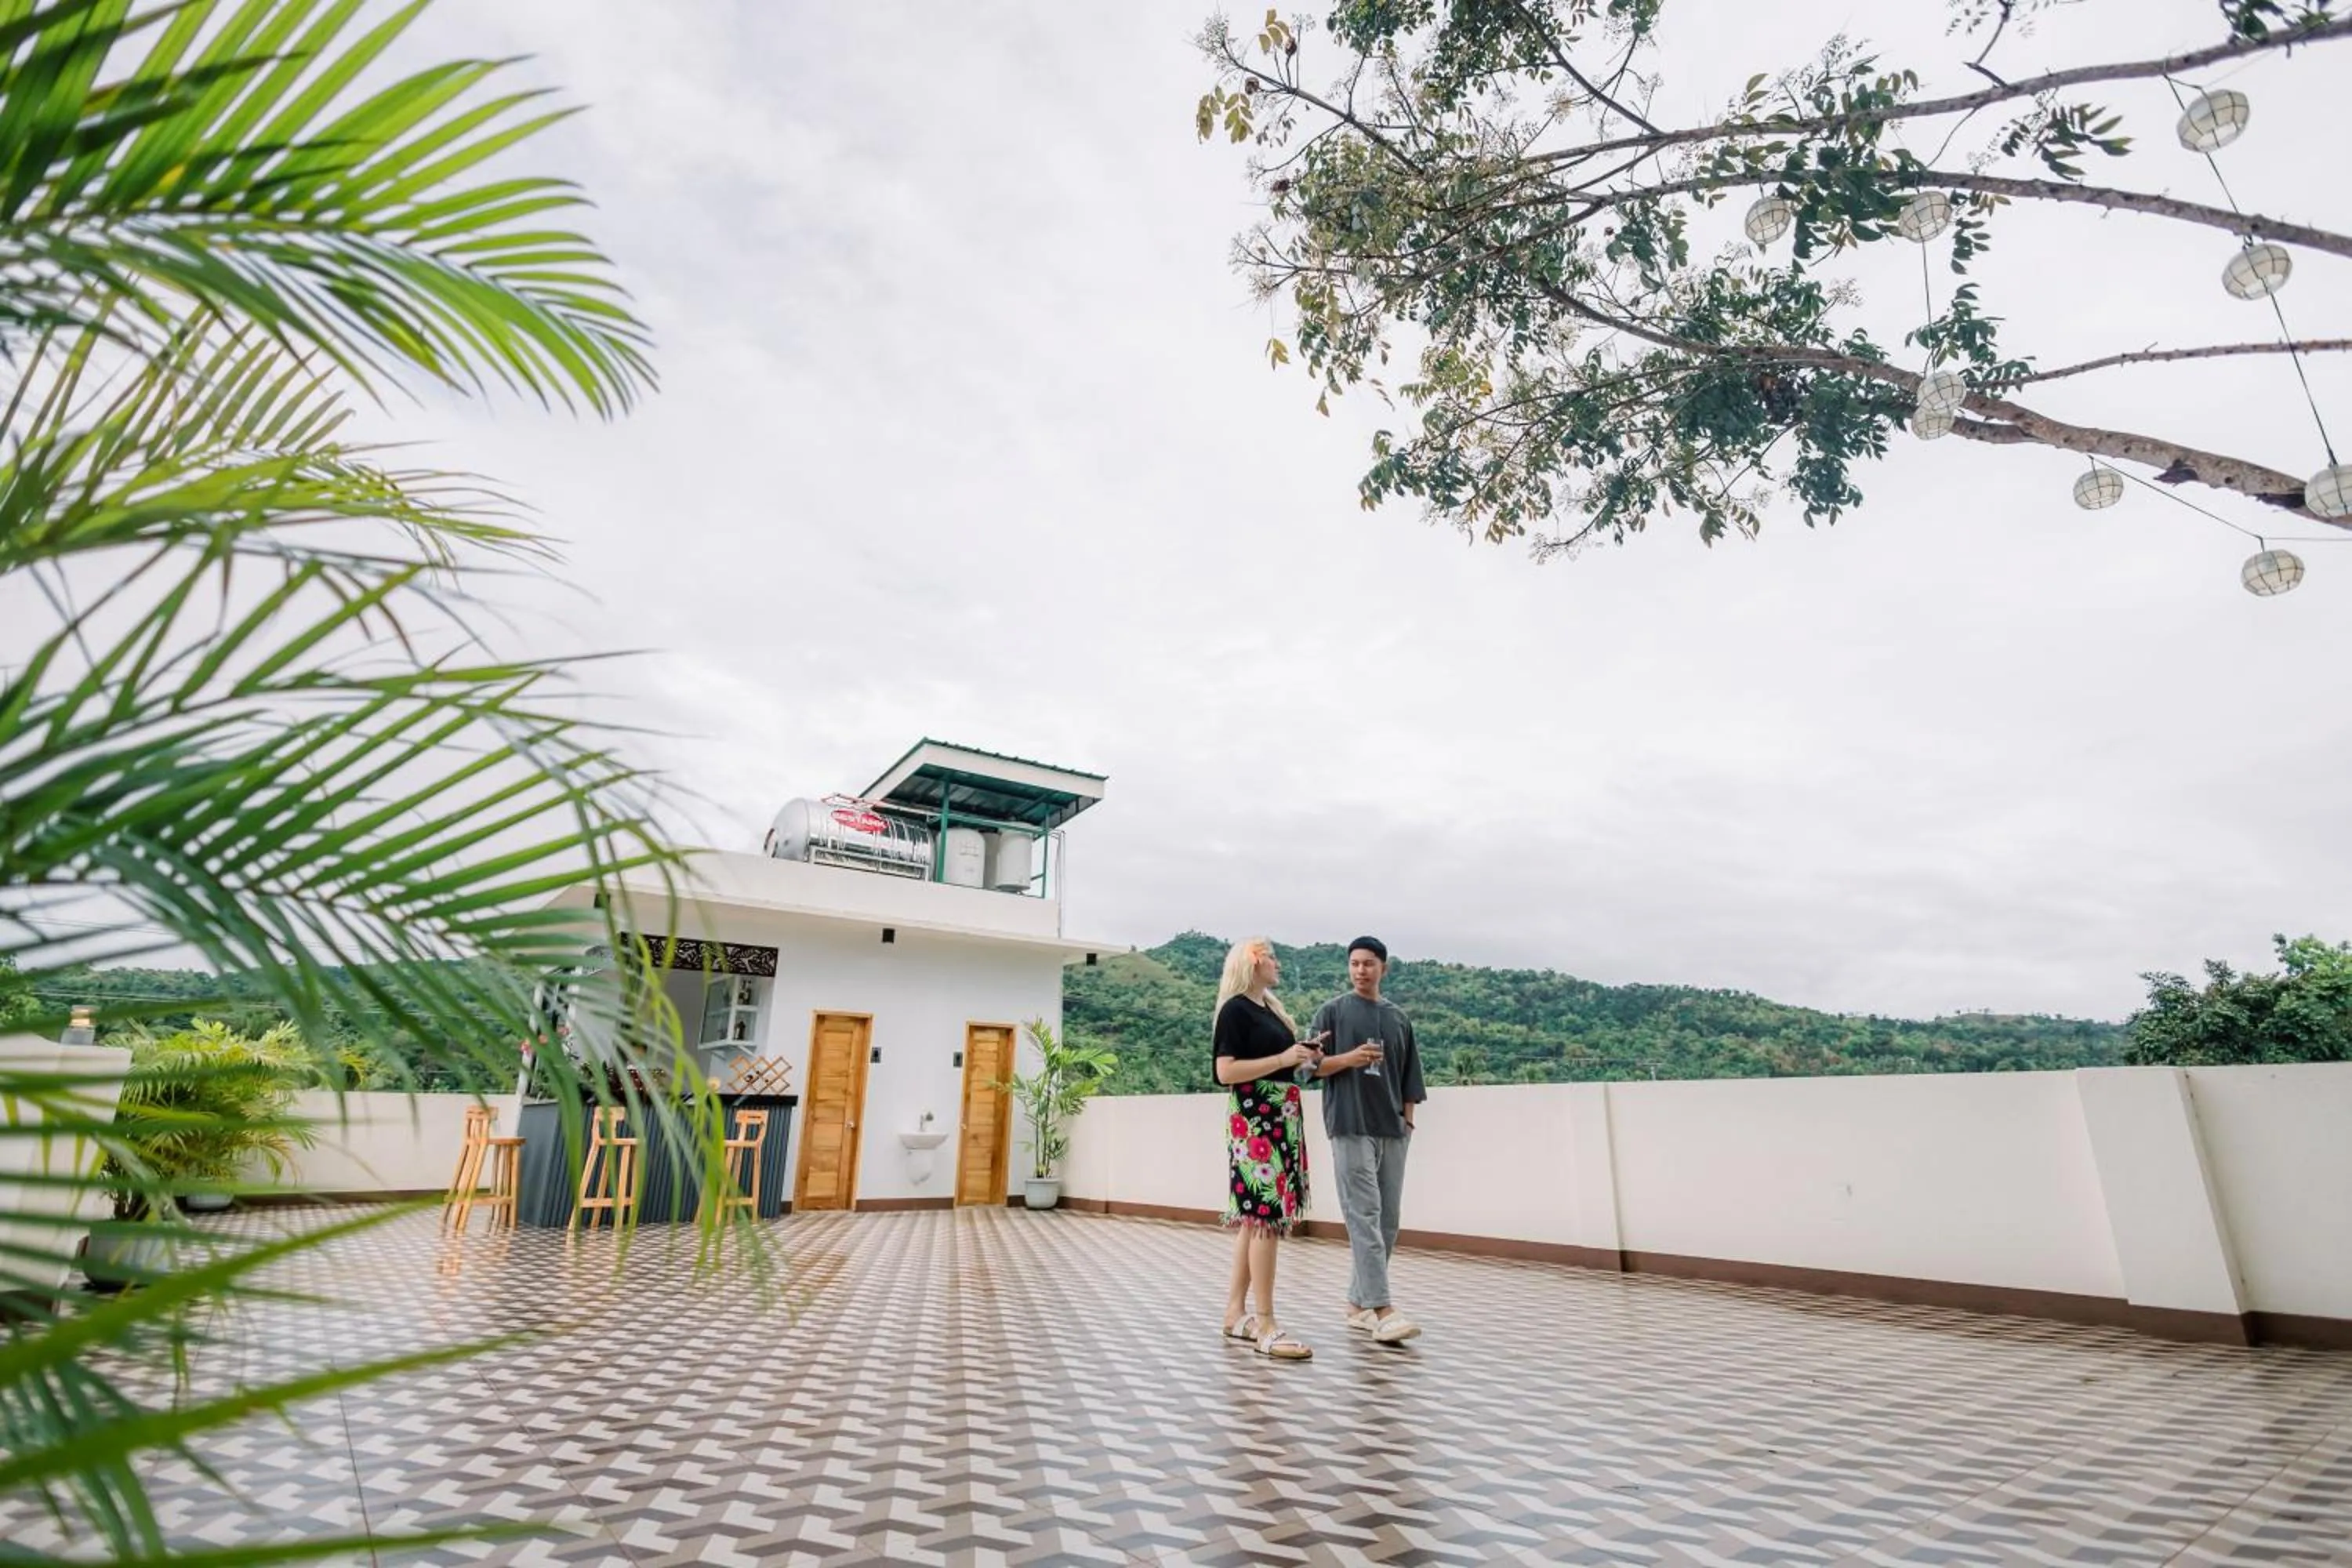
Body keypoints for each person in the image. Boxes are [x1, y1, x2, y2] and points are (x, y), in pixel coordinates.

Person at [1212, 937, 1326, 1360]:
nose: (1277, 963)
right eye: (1271, 957)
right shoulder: (1235, 1009)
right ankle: (1266, 1323)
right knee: (1264, 1216)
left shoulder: (1270, 1009)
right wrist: (1282, 1059)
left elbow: (1279, 1061)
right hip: (1255, 1118)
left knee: (1253, 1218)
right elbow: (1226, 1071)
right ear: (1252, 962)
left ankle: (1235, 1313)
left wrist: (1301, 1057)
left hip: (1279, 1114)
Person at [1312, 935, 1427, 1345]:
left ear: (1384, 968)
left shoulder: (1398, 1019)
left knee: (1387, 1220)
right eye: (1355, 964)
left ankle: (1357, 1306)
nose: (1361, 971)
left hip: (1393, 1129)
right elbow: (1309, 1067)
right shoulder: (1332, 1012)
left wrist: (1408, 1124)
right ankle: (1383, 1309)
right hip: (1349, 1124)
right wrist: (1350, 1059)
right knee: (1364, 1214)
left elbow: (1412, 1076)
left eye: (1369, 964)